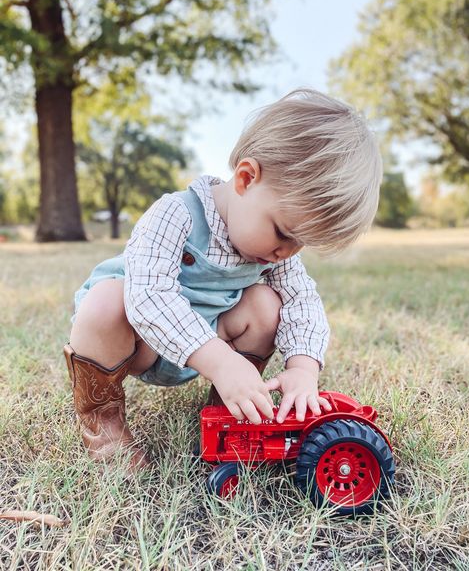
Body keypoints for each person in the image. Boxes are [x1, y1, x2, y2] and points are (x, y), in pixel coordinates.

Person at [64, 88, 383, 472]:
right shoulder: (175, 214)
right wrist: (221, 361)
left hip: (213, 345)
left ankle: (227, 412)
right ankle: (104, 421)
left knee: (268, 304)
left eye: (302, 243)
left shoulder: (272, 253)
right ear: (247, 179)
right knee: (106, 303)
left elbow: (303, 301)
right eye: (284, 232)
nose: (288, 251)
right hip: (137, 342)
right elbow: (148, 297)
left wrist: (303, 368)